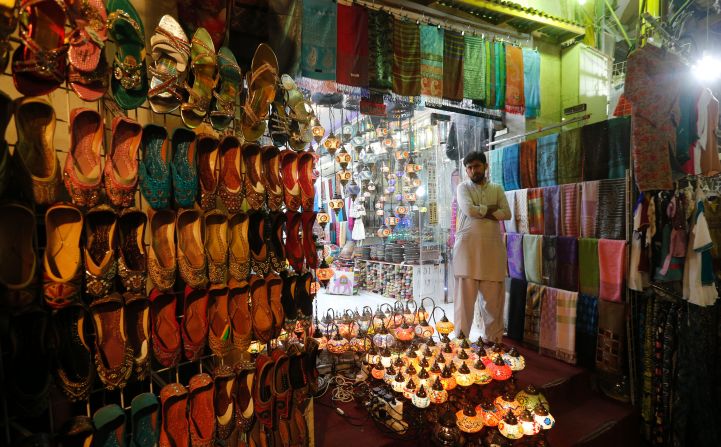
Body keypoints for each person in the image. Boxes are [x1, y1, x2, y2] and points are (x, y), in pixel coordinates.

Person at [453, 150, 511, 342]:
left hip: (492, 251)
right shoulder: (463, 188)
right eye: (469, 168)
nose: (473, 171)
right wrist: (491, 209)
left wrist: (480, 211)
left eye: (476, 166)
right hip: (467, 251)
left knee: (493, 303)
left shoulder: (497, 188)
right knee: (464, 304)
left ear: (486, 166)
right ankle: (461, 344)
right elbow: (469, 209)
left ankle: (493, 343)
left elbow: (507, 213)